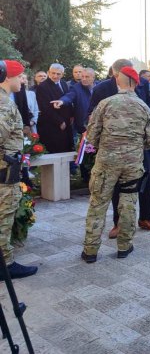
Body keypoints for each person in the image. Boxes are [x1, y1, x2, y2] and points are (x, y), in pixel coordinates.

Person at [81, 66, 150, 263]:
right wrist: (134, 145)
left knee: (98, 203)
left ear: (118, 81)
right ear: (136, 83)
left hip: (107, 161)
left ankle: (90, 251)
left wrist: (106, 146)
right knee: (128, 203)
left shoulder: (106, 104)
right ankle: (124, 246)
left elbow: (91, 136)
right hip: (132, 163)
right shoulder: (143, 107)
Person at [0, 60, 38, 279]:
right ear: (7, 77)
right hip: (4, 174)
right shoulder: (4, 103)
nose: (23, 81)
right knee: (4, 218)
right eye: (20, 76)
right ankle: (5, 265)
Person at [36, 63, 74, 154]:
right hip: (52, 123)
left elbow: (68, 100)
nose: (55, 76)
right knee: (56, 150)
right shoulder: (43, 86)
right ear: (48, 72)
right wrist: (59, 121)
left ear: (62, 74)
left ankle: (68, 168)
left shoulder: (64, 83)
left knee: (67, 150)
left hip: (66, 121)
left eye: (58, 74)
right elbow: (45, 107)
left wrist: (72, 115)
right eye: (53, 73)